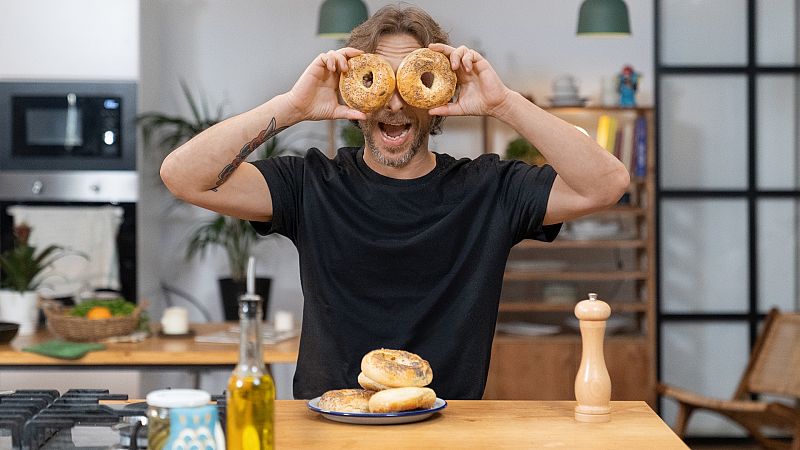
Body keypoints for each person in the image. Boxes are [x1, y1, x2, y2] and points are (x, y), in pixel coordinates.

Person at [160, 4, 629, 400]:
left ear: (437, 93)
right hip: (329, 426)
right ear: (357, 90)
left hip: (446, 429)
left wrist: (503, 103)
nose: (397, 105)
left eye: (412, 85)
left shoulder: (490, 188)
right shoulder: (311, 183)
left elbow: (605, 185)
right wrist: (292, 106)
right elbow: (183, 176)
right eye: (382, 82)